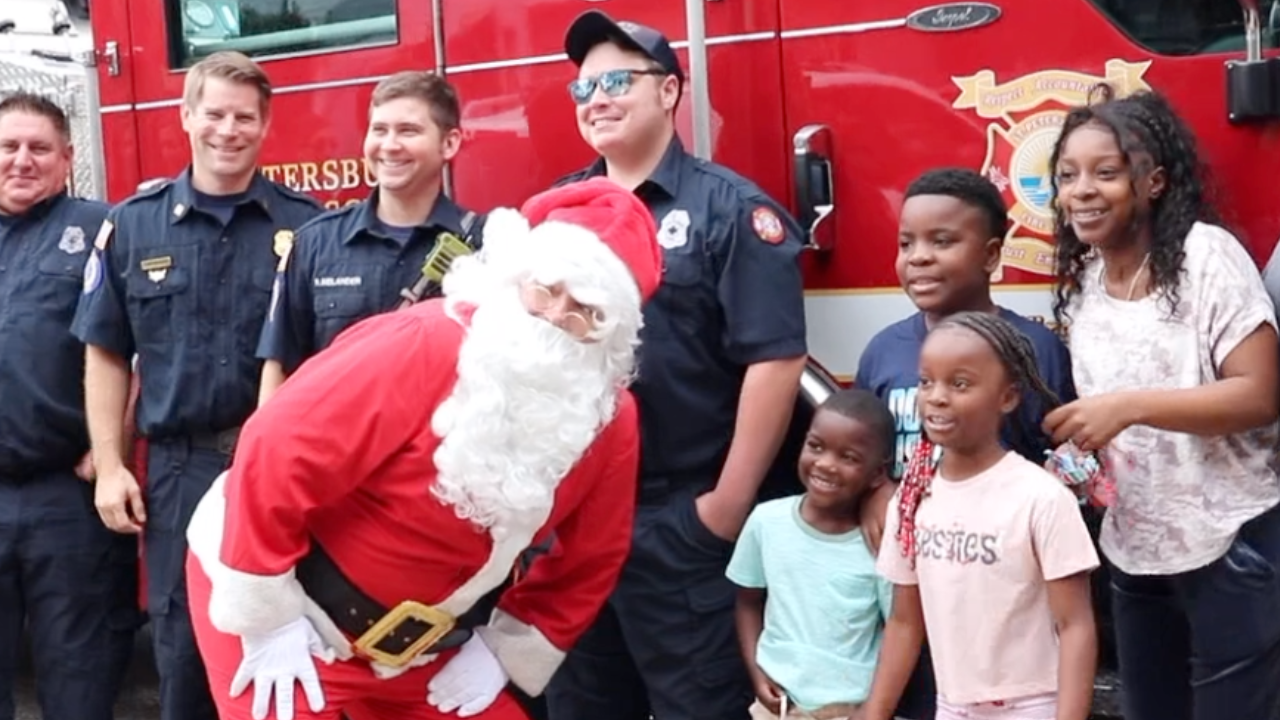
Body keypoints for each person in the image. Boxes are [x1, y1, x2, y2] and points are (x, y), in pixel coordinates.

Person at [182, 177, 661, 720]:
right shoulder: (423, 343)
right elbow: (276, 448)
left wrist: (504, 651)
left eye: (586, 311)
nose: (555, 316)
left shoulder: (609, 419)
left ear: (611, 333)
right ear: (515, 276)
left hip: (418, 653)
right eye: (548, 289)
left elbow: (592, 556)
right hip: (284, 595)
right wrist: (267, 616)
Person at [544, 12, 808, 720]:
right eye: (583, 87)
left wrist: (721, 511)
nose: (595, 98)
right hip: (573, 522)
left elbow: (776, 362)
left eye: (616, 82)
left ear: (669, 91)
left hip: (679, 519)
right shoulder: (558, 215)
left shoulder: (733, 210)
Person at [71, 51, 323, 720]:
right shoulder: (132, 224)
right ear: (186, 117)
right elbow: (105, 351)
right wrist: (111, 467)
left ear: (266, 125)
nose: (228, 130)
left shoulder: (309, 228)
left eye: (245, 117)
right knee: (183, 654)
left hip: (281, 473)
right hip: (180, 473)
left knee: (288, 644)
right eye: (213, 113)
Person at [1042, 86, 1280, 720]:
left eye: (1106, 173)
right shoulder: (1088, 281)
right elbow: (1116, 415)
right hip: (1134, 552)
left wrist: (1125, 407)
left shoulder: (1207, 256)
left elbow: (1258, 394)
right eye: (1067, 176)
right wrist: (1083, 456)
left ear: (1153, 182)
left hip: (1229, 545)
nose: (1081, 190)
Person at [853, 167, 1078, 720]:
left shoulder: (1035, 350)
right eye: (907, 243)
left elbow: (1064, 461)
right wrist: (877, 491)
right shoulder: (884, 352)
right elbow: (863, 446)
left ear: (991, 253)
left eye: (943, 241)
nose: (919, 257)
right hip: (917, 572)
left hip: (1007, 597)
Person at [862, 311, 1099, 720]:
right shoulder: (913, 497)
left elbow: (1075, 626)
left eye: (960, 384)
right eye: (925, 381)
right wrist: (875, 711)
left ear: (1007, 397)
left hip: (1031, 705)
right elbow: (904, 621)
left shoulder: (1040, 498)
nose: (936, 396)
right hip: (952, 706)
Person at [0, 91, 137, 720]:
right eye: (8, 147)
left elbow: (145, 349)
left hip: (67, 499)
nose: (22, 160)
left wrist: (112, 447)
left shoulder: (104, 231)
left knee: (79, 687)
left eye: (38, 148)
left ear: (68, 157)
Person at [257, 70, 483, 403]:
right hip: (337, 451)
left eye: (408, 130)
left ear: (449, 143)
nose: (389, 146)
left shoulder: (487, 247)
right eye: (379, 130)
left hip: (444, 452)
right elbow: (279, 370)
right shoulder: (315, 244)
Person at [726, 388, 895, 720]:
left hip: (852, 710)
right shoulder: (765, 522)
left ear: (877, 474)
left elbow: (897, 630)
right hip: (776, 707)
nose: (826, 464)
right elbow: (747, 601)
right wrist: (758, 674)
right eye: (816, 446)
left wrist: (875, 709)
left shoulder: (878, 544)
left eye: (849, 457)